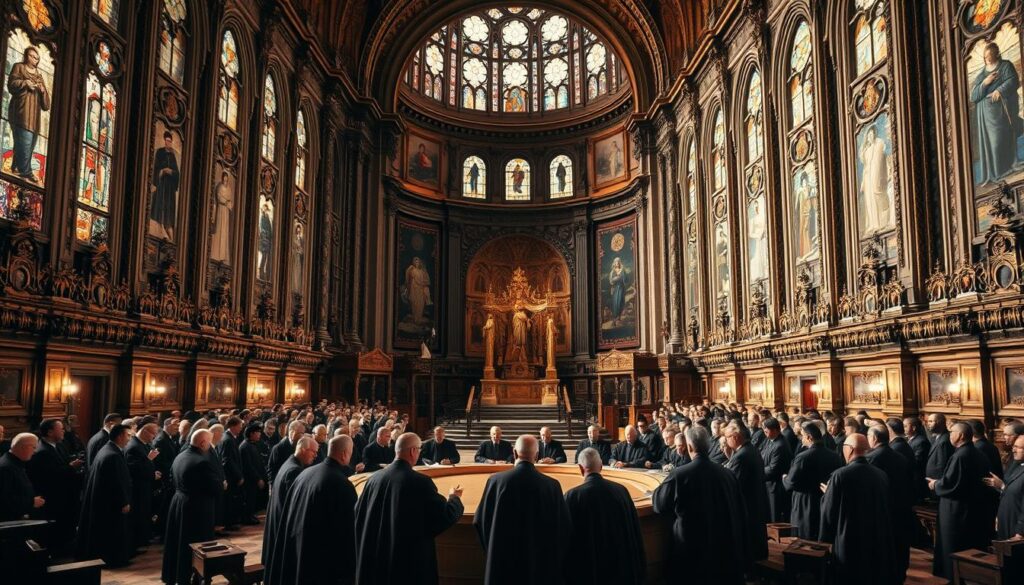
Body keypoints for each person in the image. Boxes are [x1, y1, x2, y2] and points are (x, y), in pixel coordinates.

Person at [354, 433, 463, 584]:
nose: (419, 453)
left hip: (377, 560)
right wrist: (454, 498)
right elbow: (444, 516)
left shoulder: (373, 479)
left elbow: (358, 514)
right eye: (419, 449)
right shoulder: (420, 482)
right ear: (413, 451)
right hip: (406, 565)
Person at [652, 426, 747, 585]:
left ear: (689, 447)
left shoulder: (680, 474)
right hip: (722, 547)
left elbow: (659, 504)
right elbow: (741, 511)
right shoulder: (727, 474)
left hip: (691, 547)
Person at [474, 435, 570, 585]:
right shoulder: (552, 486)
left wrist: (493, 550)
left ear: (514, 453)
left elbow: (481, 521)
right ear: (537, 456)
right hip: (538, 564)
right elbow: (562, 528)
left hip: (502, 563)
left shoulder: (495, 481)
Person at [269, 436, 358, 585]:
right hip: (321, 560)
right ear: (344, 454)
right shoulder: (341, 483)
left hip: (299, 549)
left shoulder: (305, 473)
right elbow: (348, 531)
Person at [819, 435, 897, 585]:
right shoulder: (881, 474)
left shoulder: (840, 475)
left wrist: (824, 541)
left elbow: (829, 512)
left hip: (849, 536)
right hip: (875, 536)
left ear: (850, 449)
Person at [564, 448, 645, 585]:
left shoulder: (572, 496)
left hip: (588, 570)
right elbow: (634, 532)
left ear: (580, 469)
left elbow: (566, 538)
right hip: (619, 567)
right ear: (601, 467)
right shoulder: (621, 491)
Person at [928, 422, 991, 578]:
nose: (950, 435)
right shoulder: (977, 453)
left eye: (952, 432)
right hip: (971, 507)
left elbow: (951, 483)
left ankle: (954, 575)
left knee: (954, 544)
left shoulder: (961, 456)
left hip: (956, 510)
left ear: (961, 435)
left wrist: (935, 484)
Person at [161, 429, 223, 585]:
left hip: (179, 503)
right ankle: (195, 578)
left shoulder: (180, 456)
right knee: (197, 547)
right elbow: (215, 488)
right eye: (209, 443)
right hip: (197, 509)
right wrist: (220, 484)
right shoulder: (202, 462)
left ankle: (177, 576)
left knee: (179, 543)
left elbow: (171, 479)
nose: (210, 446)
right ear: (203, 443)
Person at [76, 423, 133, 567]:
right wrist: (123, 502)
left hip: (104, 500)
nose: (129, 439)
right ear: (120, 436)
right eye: (128, 435)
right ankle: (114, 559)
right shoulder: (112, 455)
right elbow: (116, 482)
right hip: (111, 504)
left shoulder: (109, 449)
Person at [866, 425, 915, 582]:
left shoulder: (872, 458)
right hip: (901, 507)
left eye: (868, 436)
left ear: (874, 438)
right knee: (899, 545)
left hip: (882, 510)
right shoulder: (900, 456)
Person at [261, 436, 317, 574]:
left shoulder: (290, 463)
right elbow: (295, 504)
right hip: (282, 522)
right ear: (303, 449)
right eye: (313, 452)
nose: (316, 456)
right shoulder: (294, 470)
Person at [970, 41, 1023, 184]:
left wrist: (1000, 90)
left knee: (1005, 137)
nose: (987, 59)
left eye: (989, 56)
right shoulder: (982, 75)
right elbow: (974, 96)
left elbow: (1013, 81)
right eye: (985, 57)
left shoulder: (1005, 66)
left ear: (996, 54)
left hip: (1004, 111)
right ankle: (998, 172)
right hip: (988, 116)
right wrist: (985, 83)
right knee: (995, 142)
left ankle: (1010, 166)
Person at [782, 421, 843, 540]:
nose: (801, 439)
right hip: (824, 500)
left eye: (803, 436)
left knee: (803, 537)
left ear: (809, 437)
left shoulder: (803, 457)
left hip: (804, 502)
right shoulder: (834, 456)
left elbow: (790, 484)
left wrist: (784, 478)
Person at [27, 418, 82, 549]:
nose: (64, 431)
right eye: (61, 429)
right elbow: (50, 477)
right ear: (50, 432)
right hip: (54, 500)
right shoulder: (42, 452)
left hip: (65, 497)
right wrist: (71, 467)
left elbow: (63, 463)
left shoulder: (59, 445)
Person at [723, 421, 769, 565]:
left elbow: (733, 482)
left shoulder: (741, 456)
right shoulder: (751, 449)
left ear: (735, 437)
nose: (726, 440)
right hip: (756, 499)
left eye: (727, 437)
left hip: (746, 503)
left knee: (747, 540)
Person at [6, 45, 50, 183]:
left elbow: (46, 105)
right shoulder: (19, 67)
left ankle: (16, 167)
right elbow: (11, 84)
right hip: (20, 111)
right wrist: (24, 83)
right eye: (32, 56)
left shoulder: (39, 75)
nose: (34, 59)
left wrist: (43, 91)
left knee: (28, 144)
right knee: (24, 141)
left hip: (34, 117)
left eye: (37, 58)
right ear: (26, 56)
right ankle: (25, 172)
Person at [125, 422, 161, 548]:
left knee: (145, 514)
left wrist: (153, 472)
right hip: (138, 489)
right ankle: (137, 543)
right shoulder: (134, 446)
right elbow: (134, 469)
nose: (154, 437)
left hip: (145, 487)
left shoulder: (143, 444)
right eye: (153, 434)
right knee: (138, 515)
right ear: (145, 431)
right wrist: (149, 460)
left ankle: (143, 539)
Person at [986, 434, 1024, 540]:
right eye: (1014, 446)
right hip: (1007, 523)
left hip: (1016, 529)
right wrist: (1001, 486)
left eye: (1019, 447)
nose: (1014, 450)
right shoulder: (1018, 466)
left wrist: (1020, 532)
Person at [0, 432, 43, 521]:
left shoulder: (13, 462)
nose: (35, 451)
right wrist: (31, 503)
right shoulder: (6, 468)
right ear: (23, 447)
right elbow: (4, 500)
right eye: (34, 447)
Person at [761, 417, 794, 522]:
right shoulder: (769, 440)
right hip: (768, 484)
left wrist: (758, 472)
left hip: (776, 486)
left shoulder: (780, 445)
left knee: (775, 516)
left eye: (767, 430)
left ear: (775, 430)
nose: (765, 431)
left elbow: (773, 469)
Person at [150, 131, 180, 240]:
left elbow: (177, 173)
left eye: (170, 142)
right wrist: (162, 171)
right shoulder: (160, 152)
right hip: (161, 185)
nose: (169, 143)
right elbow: (156, 168)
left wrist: (171, 171)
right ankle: (160, 230)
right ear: (164, 141)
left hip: (170, 188)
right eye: (167, 141)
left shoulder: (172, 155)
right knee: (160, 208)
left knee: (168, 210)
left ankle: (169, 235)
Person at [239, 423, 267, 524]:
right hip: (250, 479)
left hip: (255, 478)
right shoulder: (245, 446)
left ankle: (251, 515)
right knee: (249, 498)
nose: (260, 434)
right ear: (251, 433)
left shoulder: (252, 444)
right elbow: (248, 466)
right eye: (258, 432)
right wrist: (258, 478)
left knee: (253, 499)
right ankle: (247, 518)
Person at [925, 413, 954, 485]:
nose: (928, 424)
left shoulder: (944, 440)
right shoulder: (936, 437)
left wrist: (938, 483)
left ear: (940, 422)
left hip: (937, 481)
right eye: (928, 421)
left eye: (931, 421)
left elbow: (942, 465)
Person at [210, 171, 233, 262]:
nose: (225, 179)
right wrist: (225, 202)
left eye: (226, 178)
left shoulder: (229, 189)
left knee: (225, 231)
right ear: (222, 178)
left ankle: (223, 255)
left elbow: (230, 199)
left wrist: (229, 203)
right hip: (220, 210)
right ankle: (217, 254)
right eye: (224, 178)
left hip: (226, 212)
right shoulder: (219, 187)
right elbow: (219, 197)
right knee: (220, 229)